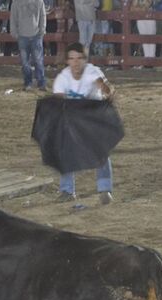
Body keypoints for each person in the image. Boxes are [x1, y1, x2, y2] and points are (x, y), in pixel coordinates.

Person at [52, 42, 115, 204]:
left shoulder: (92, 72)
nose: (76, 62)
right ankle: (67, 190)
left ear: (85, 60)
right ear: (67, 61)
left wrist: (107, 91)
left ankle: (104, 189)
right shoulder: (62, 78)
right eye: (72, 58)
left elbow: (105, 87)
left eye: (79, 58)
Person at [9, 0, 46, 90]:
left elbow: (43, 16)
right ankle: (28, 82)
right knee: (25, 62)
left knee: (38, 61)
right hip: (22, 36)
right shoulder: (16, 2)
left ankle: (41, 83)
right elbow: (13, 18)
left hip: (35, 35)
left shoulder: (39, 1)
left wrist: (42, 30)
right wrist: (14, 33)